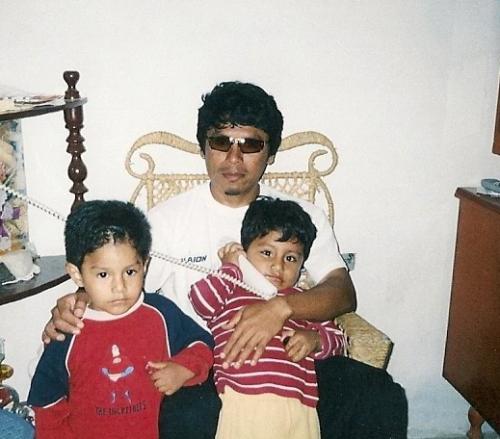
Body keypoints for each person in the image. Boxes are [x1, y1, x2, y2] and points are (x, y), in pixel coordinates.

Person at [42, 82, 407, 438]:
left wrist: (279, 309)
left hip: (290, 361)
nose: (233, 159)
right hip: (206, 362)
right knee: (185, 414)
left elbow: (342, 293)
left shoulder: (298, 216)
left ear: (270, 153)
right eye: (220, 142)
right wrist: (77, 301)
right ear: (204, 148)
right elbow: (122, 286)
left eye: (250, 144)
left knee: (378, 394)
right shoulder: (166, 221)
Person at [28, 200, 213, 439]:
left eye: (130, 272)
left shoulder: (160, 314)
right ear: (77, 274)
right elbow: (47, 402)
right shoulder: (68, 328)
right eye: (103, 274)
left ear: (144, 266)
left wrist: (183, 369)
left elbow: (202, 344)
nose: (119, 287)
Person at [189, 196, 347, 439]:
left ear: (302, 265)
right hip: (241, 401)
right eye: (266, 253)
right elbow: (200, 301)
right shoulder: (232, 288)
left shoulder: (303, 300)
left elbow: (339, 340)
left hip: (298, 409)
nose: (278, 266)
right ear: (245, 252)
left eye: (290, 258)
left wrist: (315, 340)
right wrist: (231, 268)